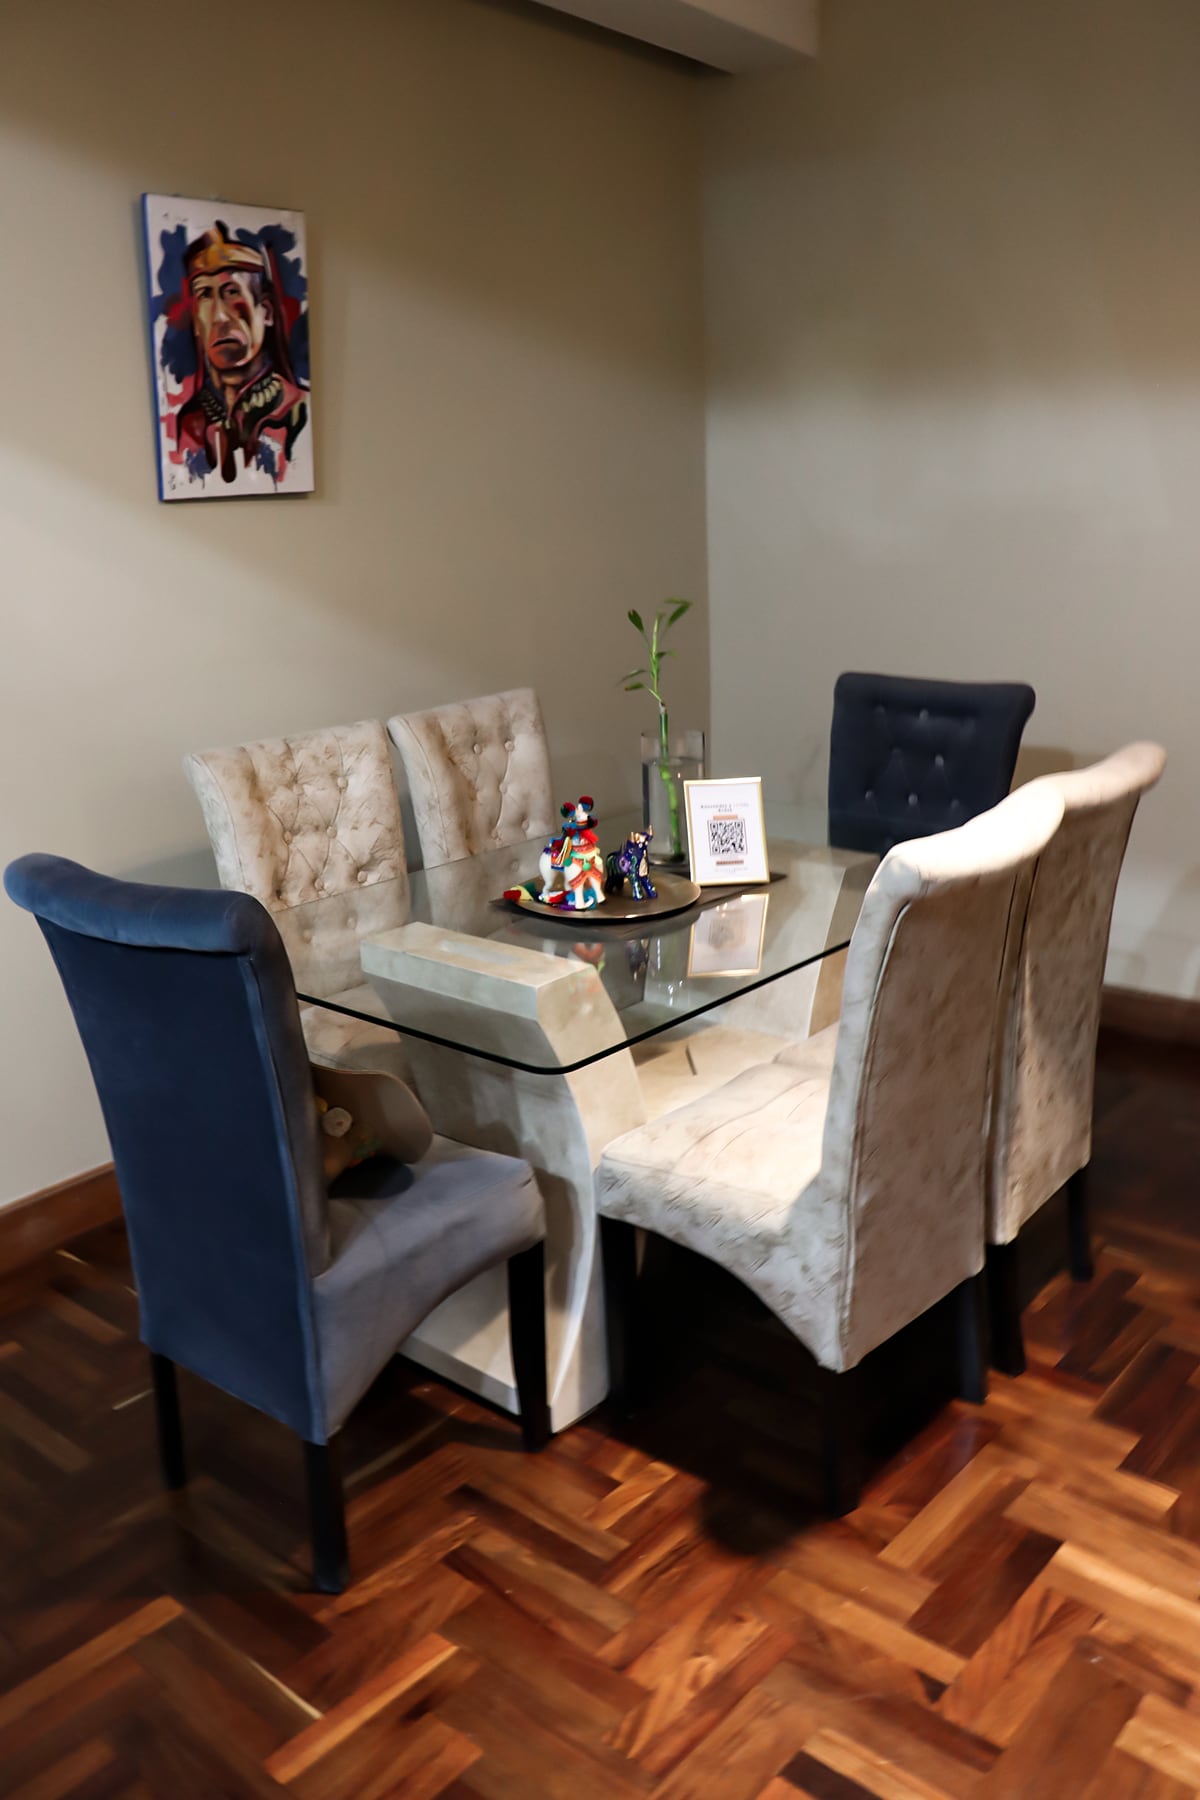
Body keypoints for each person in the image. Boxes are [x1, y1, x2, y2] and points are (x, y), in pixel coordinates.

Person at [174, 222, 309, 485]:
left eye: (232, 292)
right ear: (196, 324)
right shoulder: (189, 421)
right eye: (205, 295)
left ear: (266, 311)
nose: (220, 317)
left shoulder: (297, 411)